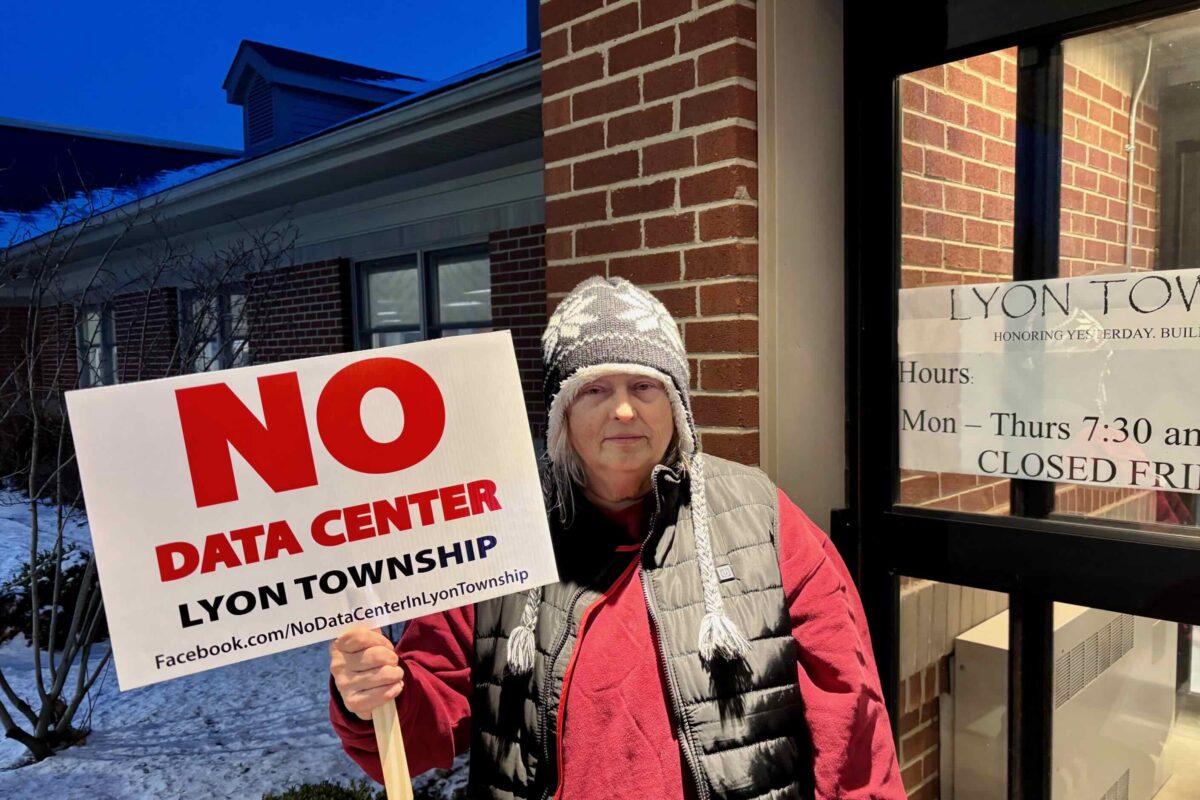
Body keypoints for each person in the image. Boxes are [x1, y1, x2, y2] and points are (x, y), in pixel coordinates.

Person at [329, 276, 906, 799]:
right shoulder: (501, 533)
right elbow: (422, 727)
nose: (625, 410)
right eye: (595, 389)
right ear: (560, 412)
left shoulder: (760, 519)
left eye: (644, 386)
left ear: (677, 405)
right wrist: (372, 697)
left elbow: (851, 717)